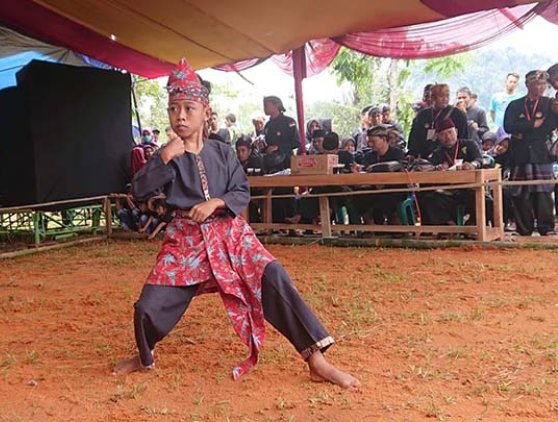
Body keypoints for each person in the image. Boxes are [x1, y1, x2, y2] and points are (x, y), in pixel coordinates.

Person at [113, 59, 360, 389]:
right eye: (174, 109)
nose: (180, 116)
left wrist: (215, 202)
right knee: (148, 306)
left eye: (188, 108)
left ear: (205, 111)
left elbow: (240, 189)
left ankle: (316, 359)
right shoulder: (165, 154)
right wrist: (163, 159)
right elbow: (139, 190)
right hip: (187, 240)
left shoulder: (223, 152)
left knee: (273, 275)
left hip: (230, 235)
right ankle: (144, 357)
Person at [504, 70, 558, 236]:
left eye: (543, 84)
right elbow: (508, 126)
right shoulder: (515, 105)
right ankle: (524, 228)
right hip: (520, 154)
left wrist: (527, 129)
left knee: (543, 191)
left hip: (541, 153)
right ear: (527, 85)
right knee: (520, 192)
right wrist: (531, 125)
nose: (540, 87)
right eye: (536, 84)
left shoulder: (549, 104)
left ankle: (546, 228)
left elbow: (550, 125)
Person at [419, 118, 484, 227]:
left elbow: (480, 159)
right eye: (443, 134)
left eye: (450, 132)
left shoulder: (469, 145)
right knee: (430, 199)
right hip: (449, 193)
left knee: (483, 199)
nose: (448, 137)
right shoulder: (437, 153)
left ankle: (473, 225)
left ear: (456, 132)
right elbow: (428, 167)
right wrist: (436, 169)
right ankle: (449, 227)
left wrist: (472, 165)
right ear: (438, 137)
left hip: (469, 188)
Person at [352, 125, 406, 225]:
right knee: (359, 196)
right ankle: (370, 225)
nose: (370, 144)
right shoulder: (369, 156)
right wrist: (359, 170)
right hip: (373, 187)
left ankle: (395, 225)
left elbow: (400, 170)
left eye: (373, 141)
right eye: (369, 141)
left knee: (390, 197)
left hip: (394, 187)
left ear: (384, 139)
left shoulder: (397, 153)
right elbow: (365, 170)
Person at [263, 95, 300, 222]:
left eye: (267, 105)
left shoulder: (289, 122)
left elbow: (296, 142)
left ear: (276, 105)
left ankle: (291, 221)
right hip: (272, 164)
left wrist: (278, 147)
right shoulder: (267, 125)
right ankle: (277, 223)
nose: (265, 108)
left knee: (287, 192)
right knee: (274, 193)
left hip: (286, 161)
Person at [408, 84, 468, 159]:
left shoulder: (457, 114)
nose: (445, 99)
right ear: (432, 97)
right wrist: (412, 153)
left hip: (449, 156)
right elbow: (414, 137)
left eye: (447, 96)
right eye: (441, 96)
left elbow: (464, 137)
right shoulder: (423, 115)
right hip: (425, 157)